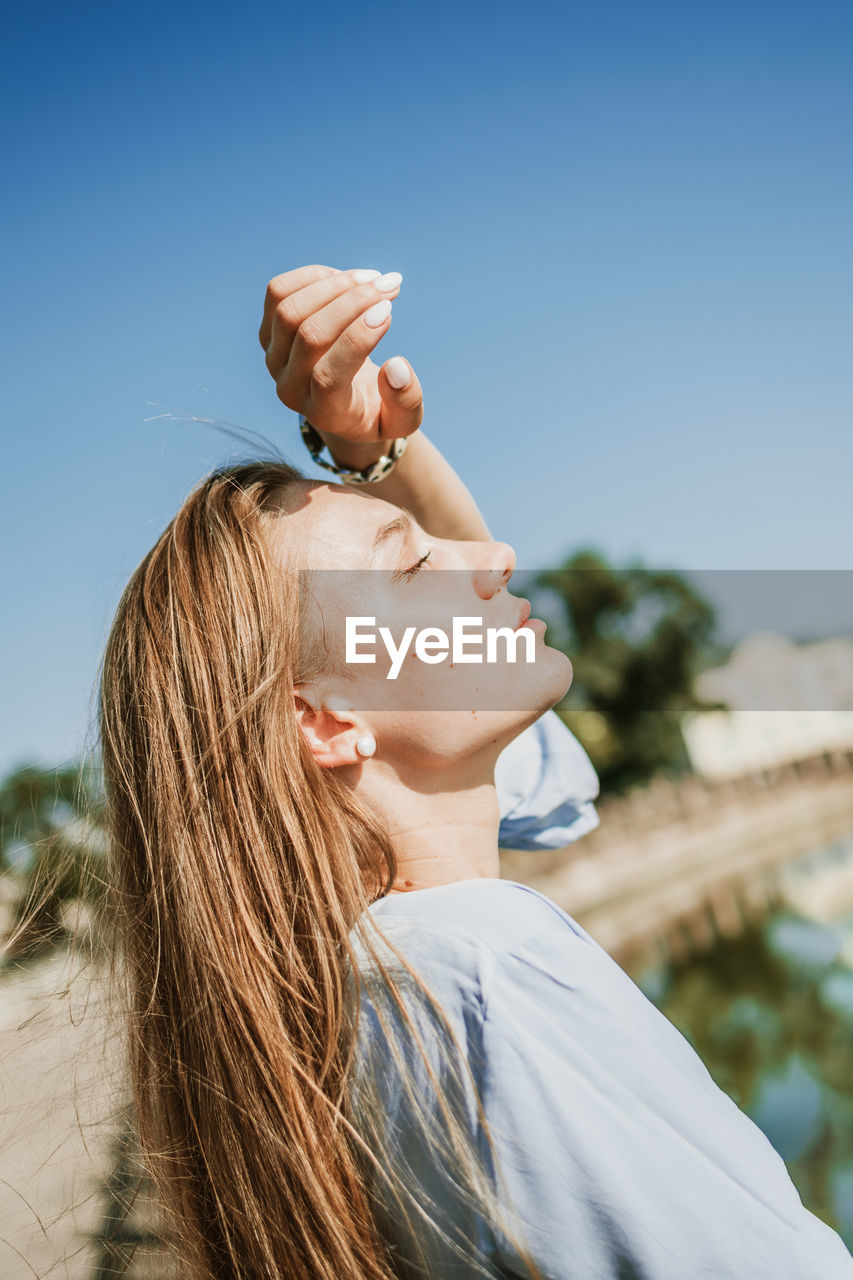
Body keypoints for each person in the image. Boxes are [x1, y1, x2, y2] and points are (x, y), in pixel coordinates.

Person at [97, 265, 852, 1280]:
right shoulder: (478, 972)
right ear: (323, 721)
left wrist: (374, 447)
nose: (490, 556)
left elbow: (550, 787)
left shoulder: (371, 985)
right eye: (413, 567)